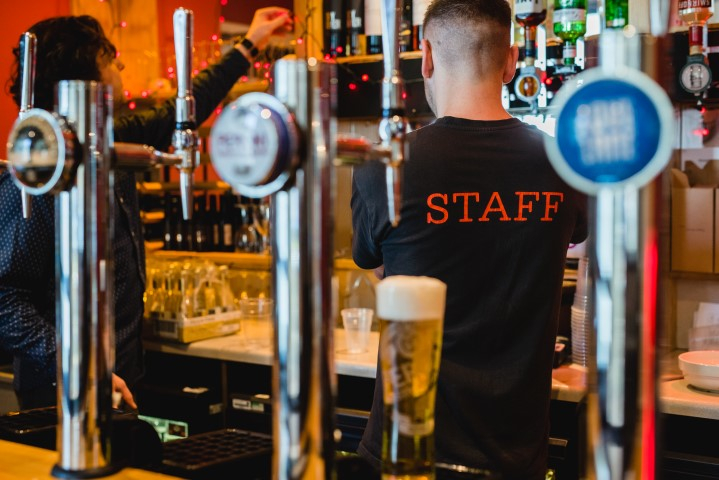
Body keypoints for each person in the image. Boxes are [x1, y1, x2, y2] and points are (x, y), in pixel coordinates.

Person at [0, 8, 292, 410]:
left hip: (123, 380)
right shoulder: (39, 171)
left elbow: (183, 111)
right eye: (108, 58)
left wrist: (249, 42)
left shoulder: (109, 139)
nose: (118, 63)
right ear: (83, 78)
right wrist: (77, 364)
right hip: (60, 391)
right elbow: (5, 298)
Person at [351, 0, 588, 478]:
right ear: (511, 60)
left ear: (427, 56)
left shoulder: (386, 166)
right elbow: (566, 246)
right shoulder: (565, 163)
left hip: (407, 448)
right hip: (515, 456)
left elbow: (384, 272)